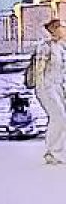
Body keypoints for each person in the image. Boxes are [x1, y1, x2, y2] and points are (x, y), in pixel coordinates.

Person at [30, 19, 66, 164]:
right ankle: (52, 151)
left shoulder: (60, 48)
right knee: (59, 117)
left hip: (58, 88)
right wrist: (41, 88)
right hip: (46, 87)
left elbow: (62, 72)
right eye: (62, 27)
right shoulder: (44, 47)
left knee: (60, 118)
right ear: (55, 29)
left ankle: (55, 151)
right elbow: (39, 71)